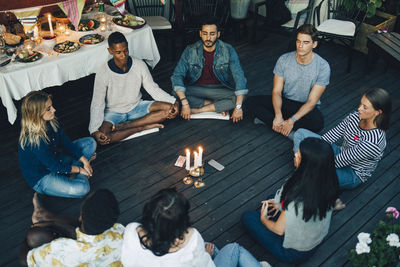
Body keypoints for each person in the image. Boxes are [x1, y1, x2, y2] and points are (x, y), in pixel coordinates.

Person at [242, 138, 340, 264]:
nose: (295, 155)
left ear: (308, 164)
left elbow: (278, 230)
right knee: (272, 199)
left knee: (248, 217)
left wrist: (263, 219)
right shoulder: (329, 181)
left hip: (293, 252)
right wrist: (280, 204)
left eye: (299, 155)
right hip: (313, 237)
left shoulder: (297, 196)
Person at [121, 188, 268, 267]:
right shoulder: (191, 238)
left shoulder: (132, 230)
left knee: (211, 247)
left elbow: (128, 260)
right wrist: (206, 257)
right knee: (233, 249)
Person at [293, 88, 392, 192]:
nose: (359, 108)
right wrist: (313, 149)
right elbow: (331, 135)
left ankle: (301, 168)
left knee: (317, 173)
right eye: (360, 104)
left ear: (378, 112)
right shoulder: (355, 117)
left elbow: (337, 162)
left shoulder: (373, 142)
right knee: (301, 133)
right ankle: (302, 167)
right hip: (340, 152)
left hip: (352, 172)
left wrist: (307, 158)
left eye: (365, 107)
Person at [89, 31, 179, 145]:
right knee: (104, 136)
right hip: (114, 112)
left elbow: (153, 89)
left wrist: (173, 101)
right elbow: (97, 103)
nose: (123, 55)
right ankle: (140, 127)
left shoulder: (139, 64)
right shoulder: (103, 72)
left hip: (137, 106)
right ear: (110, 51)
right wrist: (94, 130)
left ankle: (127, 126)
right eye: (118, 52)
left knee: (169, 109)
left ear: (127, 46)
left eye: (125, 50)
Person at [246, 24, 330, 138]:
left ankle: (273, 123)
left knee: (318, 123)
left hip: (305, 107)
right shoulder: (284, 60)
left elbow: (312, 101)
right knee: (250, 102)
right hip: (285, 102)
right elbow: (276, 92)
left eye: (306, 42)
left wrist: (291, 121)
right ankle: (285, 128)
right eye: (298, 41)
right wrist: (278, 114)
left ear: (314, 44)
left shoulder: (323, 66)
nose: (300, 46)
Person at [18, 91, 96, 198]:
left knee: (90, 143)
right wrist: (80, 169)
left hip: (56, 158)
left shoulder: (51, 121)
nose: (54, 110)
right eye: (48, 108)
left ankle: (73, 170)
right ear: (37, 114)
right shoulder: (34, 140)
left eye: (52, 106)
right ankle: (75, 171)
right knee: (83, 188)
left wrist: (85, 160)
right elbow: (54, 166)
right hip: (43, 176)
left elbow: (66, 143)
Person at [171, 16, 248, 123]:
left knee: (241, 98)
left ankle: (201, 109)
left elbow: (239, 77)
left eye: (212, 34)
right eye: (205, 33)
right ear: (200, 34)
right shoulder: (190, 50)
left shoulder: (228, 49)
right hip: (197, 88)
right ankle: (215, 104)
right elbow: (177, 75)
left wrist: (238, 108)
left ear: (218, 34)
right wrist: (185, 104)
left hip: (219, 89)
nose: (208, 38)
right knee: (176, 93)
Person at [21, 189, 124, 267]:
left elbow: (26, 260)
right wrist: (53, 223)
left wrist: (30, 231)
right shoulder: (120, 233)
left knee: (34, 236)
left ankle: (44, 217)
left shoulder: (61, 249)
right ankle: (47, 217)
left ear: (81, 215)